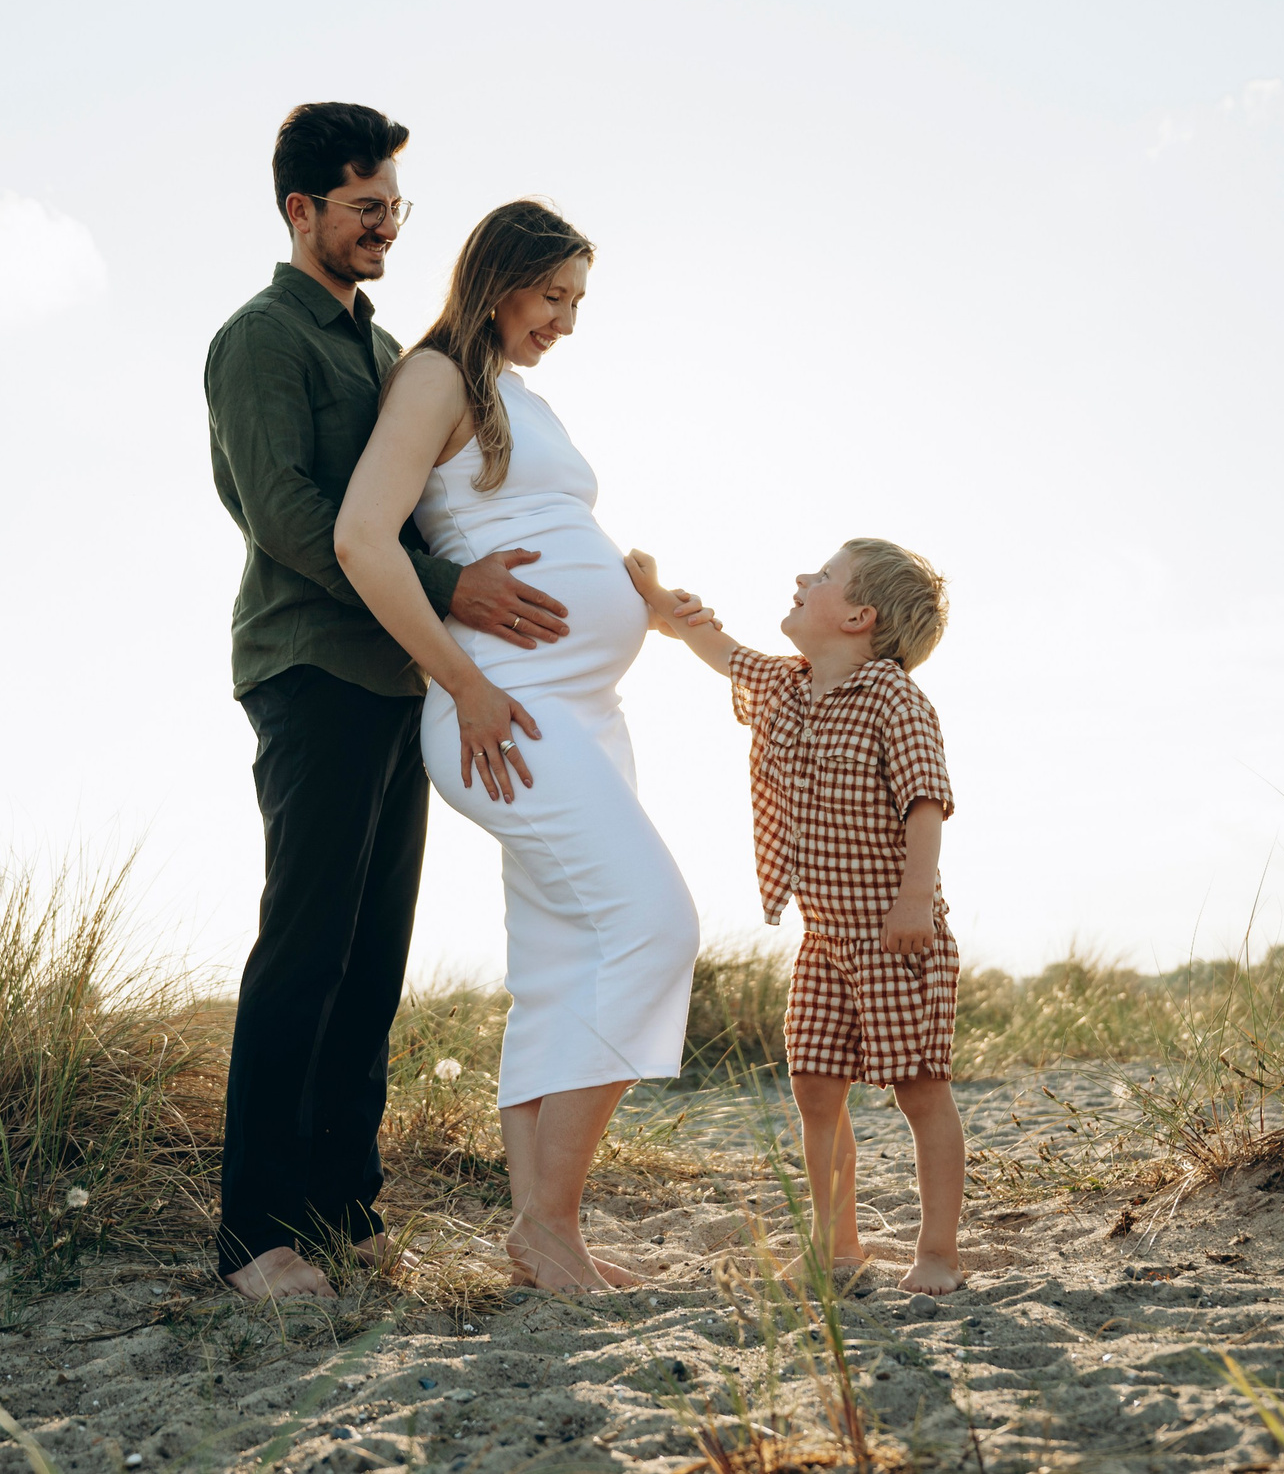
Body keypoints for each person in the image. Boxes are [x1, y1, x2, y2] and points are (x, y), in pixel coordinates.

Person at [204, 105, 575, 1301]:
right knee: (303, 947)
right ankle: (254, 1235)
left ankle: (343, 1208)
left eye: (396, 208)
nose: (386, 230)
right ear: (299, 209)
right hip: (309, 666)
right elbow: (295, 522)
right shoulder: (262, 339)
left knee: (372, 959)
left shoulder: (384, 354)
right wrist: (450, 589)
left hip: (394, 679)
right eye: (366, 210)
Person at [336, 199, 703, 1294]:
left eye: (578, 301)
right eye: (554, 295)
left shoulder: (518, 394)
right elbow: (362, 536)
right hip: (505, 709)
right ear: (498, 278)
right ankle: (545, 1224)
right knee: (654, 925)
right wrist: (467, 683)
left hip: (578, 710)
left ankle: (550, 1232)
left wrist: (637, 597)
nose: (567, 320)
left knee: (558, 967)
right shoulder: (436, 377)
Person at [623, 539, 968, 1295]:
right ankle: (837, 1244)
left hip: (893, 932)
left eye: (822, 575)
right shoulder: (786, 685)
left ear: (857, 615)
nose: (802, 578)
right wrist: (656, 597)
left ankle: (937, 1250)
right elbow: (718, 648)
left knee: (920, 1087)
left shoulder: (892, 697)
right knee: (814, 1083)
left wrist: (915, 898)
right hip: (824, 937)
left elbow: (925, 800)